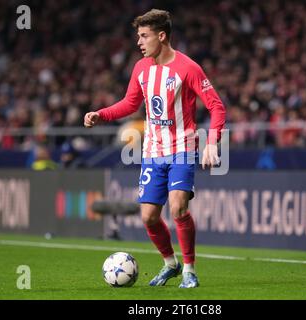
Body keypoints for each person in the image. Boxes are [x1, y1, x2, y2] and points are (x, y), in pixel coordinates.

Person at [84, 9, 226, 288]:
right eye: (138, 36)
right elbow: (129, 104)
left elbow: (216, 106)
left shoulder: (188, 68)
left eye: (144, 36)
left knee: (178, 208)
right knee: (149, 216)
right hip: (152, 150)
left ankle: (189, 270)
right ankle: (170, 264)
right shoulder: (141, 68)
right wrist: (101, 114)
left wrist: (212, 143)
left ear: (161, 36)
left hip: (183, 147)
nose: (139, 42)